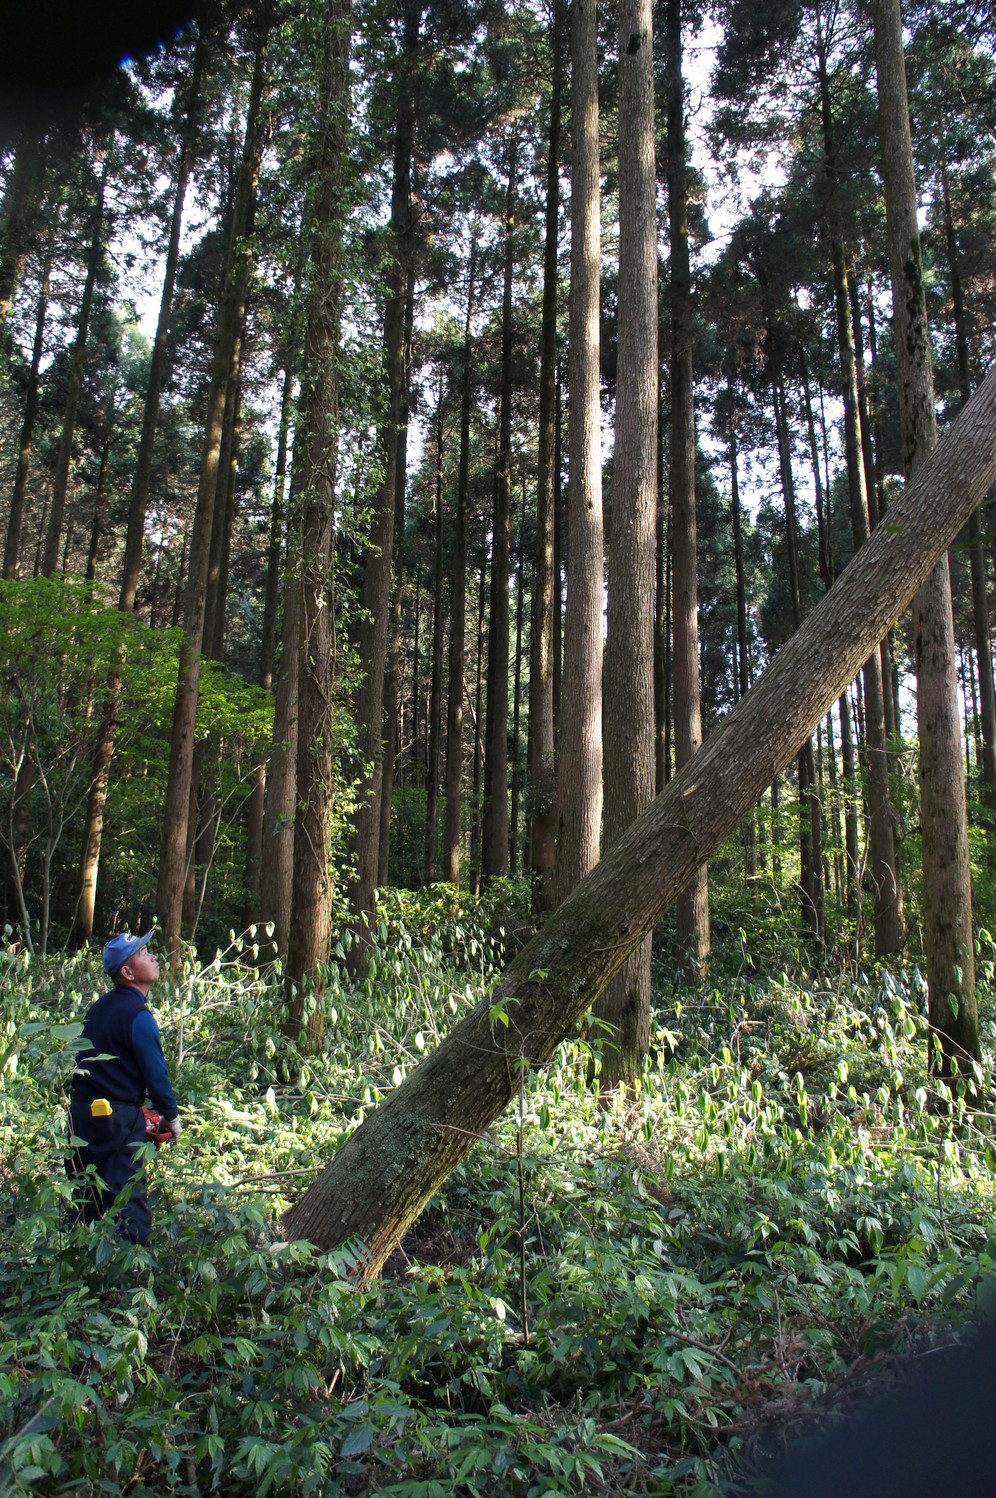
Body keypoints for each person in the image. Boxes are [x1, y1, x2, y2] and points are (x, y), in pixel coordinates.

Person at [68, 931, 181, 1243]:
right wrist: (171, 1116)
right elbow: (156, 1076)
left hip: (79, 1118)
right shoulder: (138, 1017)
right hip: (115, 1122)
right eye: (145, 954)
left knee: (85, 1200)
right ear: (128, 973)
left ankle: (74, 1268)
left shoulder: (96, 1010)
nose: (154, 957)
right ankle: (131, 1278)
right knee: (129, 1204)